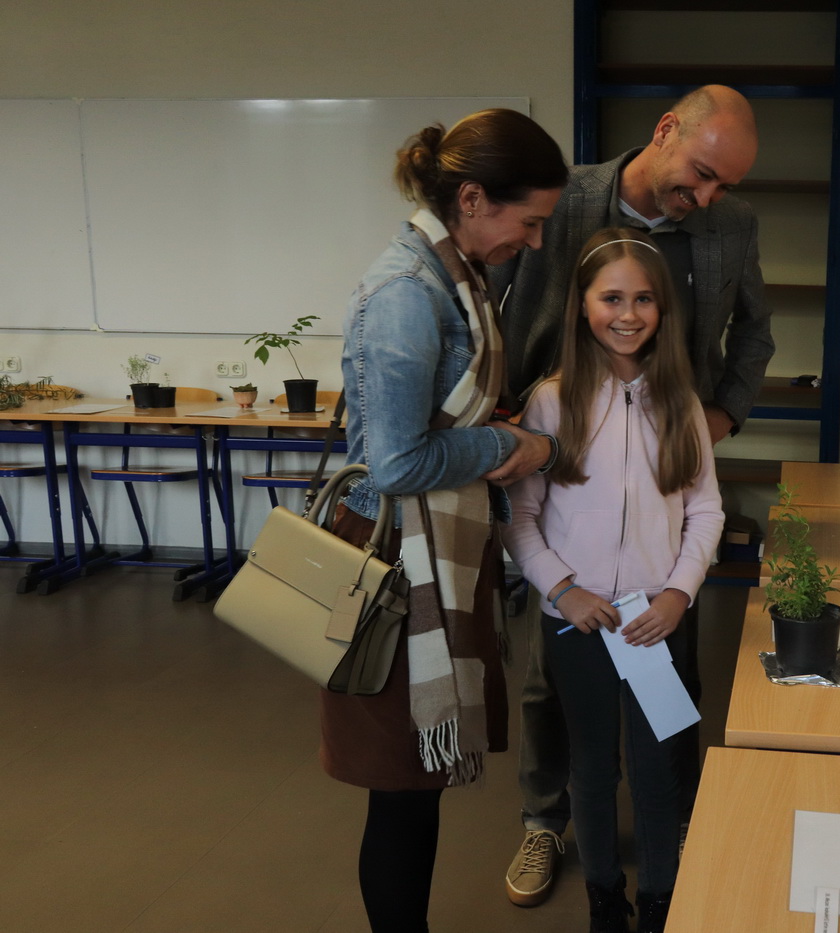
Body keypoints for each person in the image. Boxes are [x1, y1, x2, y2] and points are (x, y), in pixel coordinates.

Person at [490, 84, 771, 907]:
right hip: (558, 457)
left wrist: (718, 415)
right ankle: (545, 822)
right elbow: (506, 306)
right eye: (702, 175)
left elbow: (754, 330)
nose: (708, 197)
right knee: (554, 697)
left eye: (725, 185)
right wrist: (510, 419)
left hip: (668, 461)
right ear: (665, 131)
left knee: (666, 716)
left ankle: (672, 827)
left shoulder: (731, 225)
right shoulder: (563, 198)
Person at [320, 108, 567, 933]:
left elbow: (435, 416)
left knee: (414, 787)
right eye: (529, 221)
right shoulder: (407, 294)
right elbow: (395, 464)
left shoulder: (455, 275)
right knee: (399, 788)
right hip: (394, 562)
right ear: (471, 199)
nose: (535, 240)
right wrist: (509, 445)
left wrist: (492, 426)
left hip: (426, 551)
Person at [499, 227, 725, 933]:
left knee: (660, 769)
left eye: (644, 299)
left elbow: (706, 510)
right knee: (592, 769)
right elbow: (520, 516)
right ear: (582, 304)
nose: (628, 314)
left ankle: (658, 900)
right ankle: (605, 901)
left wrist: (678, 593)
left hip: (654, 623)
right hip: (578, 623)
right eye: (612, 298)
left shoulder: (681, 402)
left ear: (664, 310)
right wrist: (562, 589)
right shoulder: (550, 402)